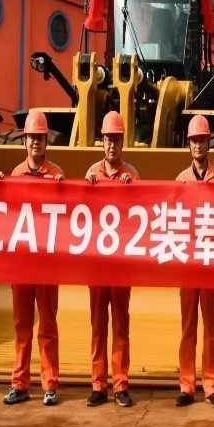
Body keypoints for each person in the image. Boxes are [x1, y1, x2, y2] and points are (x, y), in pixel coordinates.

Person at [0, 110, 65, 406]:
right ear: (24, 141)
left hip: (47, 264)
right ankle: (20, 383)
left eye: (40, 137)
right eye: (31, 138)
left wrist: (63, 189)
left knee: (47, 325)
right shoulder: (15, 175)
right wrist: (0, 188)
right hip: (22, 264)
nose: (36, 142)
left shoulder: (56, 175)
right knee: (22, 325)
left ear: (46, 141)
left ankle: (50, 384)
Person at [84, 111, 139, 408]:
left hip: (120, 266)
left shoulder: (132, 175)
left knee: (120, 325)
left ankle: (120, 384)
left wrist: (133, 190)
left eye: (116, 140)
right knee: (97, 325)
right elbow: (79, 212)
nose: (111, 145)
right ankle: (98, 384)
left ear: (122, 142)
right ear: (102, 142)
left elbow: (141, 211)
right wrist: (87, 188)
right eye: (107, 139)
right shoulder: (92, 174)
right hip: (97, 265)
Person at [174, 114, 214, 408]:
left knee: (211, 328)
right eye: (194, 141)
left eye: (202, 140)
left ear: (209, 143)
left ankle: (211, 384)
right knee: (188, 327)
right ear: (189, 144)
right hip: (188, 265)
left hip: (210, 264)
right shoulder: (180, 180)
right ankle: (187, 385)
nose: (198, 145)